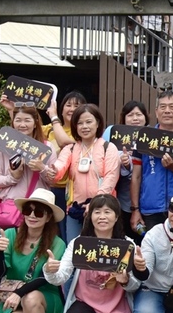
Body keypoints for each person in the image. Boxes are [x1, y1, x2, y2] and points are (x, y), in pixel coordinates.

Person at [44, 194, 139, 313]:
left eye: (107, 212)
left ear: (116, 217)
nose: (102, 217)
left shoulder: (126, 245)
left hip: (115, 307)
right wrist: (50, 270)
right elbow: (61, 277)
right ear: (90, 216)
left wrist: (125, 281)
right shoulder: (79, 244)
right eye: (97, 212)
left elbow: (136, 284)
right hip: (86, 303)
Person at [0, 188, 67, 313]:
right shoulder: (10, 235)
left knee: (31, 298)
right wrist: (0, 253)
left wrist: (20, 293)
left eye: (39, 212)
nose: (32, 215)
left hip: (44, 297)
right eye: (27, 210)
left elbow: (44, 278)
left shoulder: (57, 243)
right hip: (15, 296)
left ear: (48, 217)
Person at [43, 103, 120, 242]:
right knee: (74, 248)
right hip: (75, 209)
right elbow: (59, 167)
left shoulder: (108, 148)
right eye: (80, 123)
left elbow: (111, 177)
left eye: (89, 122)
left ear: (97, 123)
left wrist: (95, 203)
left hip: (102, 209)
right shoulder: (70, 149)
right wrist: (52, 171)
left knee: (100, 248)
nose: (84, 126)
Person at [130, 91, 173, 234]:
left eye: (172, 107)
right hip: (151, 209)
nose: (167, 111)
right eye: (162, 107)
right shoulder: (144, 139)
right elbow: (136, 177)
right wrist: (135, 209)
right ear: (156, 112)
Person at [0, 103, 52, 230]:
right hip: (12, 207)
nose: (22, 125)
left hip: (38, 209)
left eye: (27, 120)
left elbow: (53, 180)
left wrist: (42, 168)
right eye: (18, 120)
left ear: (35, 123)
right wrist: (12, 177)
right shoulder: (2, 147)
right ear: (13, 122)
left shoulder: (47, 148)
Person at [45, 90, 86, 237]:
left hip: (72, 193)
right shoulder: (48, 129)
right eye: (68, 105)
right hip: (52, 188)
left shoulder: (83, 133)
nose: (72, 109)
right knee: (52, 233)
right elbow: (25, 132)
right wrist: (12, 110)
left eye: (77, 106)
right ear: (62, 110)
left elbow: (64, 142)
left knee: (68, 234)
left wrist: (53, 117)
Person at [112, 100, 148, 243]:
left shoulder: (151, 138)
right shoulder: (117, 139)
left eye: (139, 114)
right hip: (125, 199)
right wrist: (125, 164)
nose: (135, 118)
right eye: (130, 115)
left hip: (147, 198)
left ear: (146, 118)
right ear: (124, 118)